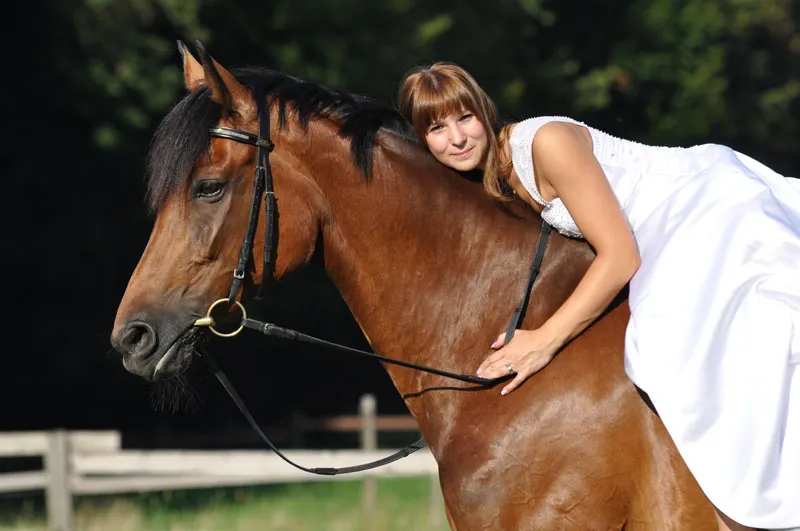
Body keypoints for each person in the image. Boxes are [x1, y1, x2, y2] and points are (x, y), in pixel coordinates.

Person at [397, 62, 800, 531]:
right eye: (437, 128)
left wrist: (542, 341)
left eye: (464, 118)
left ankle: (756, 502)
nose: (458, 138)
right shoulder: (492, 178)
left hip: (698, 207)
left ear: (484, 111)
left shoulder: (544, 143)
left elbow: (620, 255)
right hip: (662, 231)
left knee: (671, 341)